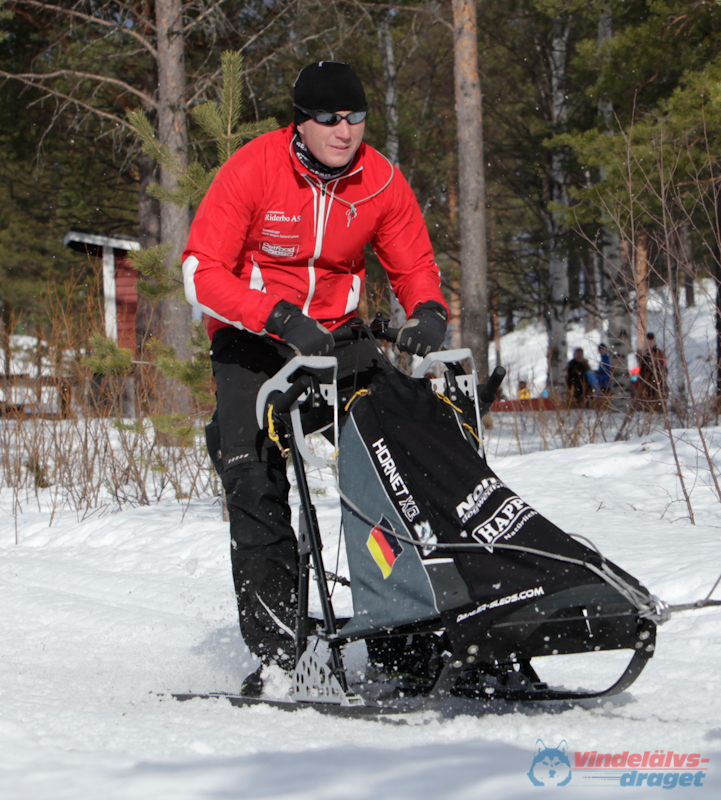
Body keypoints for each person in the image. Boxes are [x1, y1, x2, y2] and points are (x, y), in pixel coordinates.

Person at [182, 61, 449, 696]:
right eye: (328, 118)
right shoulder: (254, 168)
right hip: (253, 340)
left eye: (355, 117)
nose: (344, 130)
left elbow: (414, 264)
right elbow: (199, 273)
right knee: (250, 469)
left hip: (336, 338)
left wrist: (430, 312)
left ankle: (405, 640)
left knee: (398, 454)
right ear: (300, 121)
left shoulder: (379, 179)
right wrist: (273, 315)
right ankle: (280, 656)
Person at [636, 332, 667, 410]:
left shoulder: (659, 353)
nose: (650, 343)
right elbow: (641, 368)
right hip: (646, 382)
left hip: (656, 382)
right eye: (648, 341)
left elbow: (664, 368)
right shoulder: (643, 354)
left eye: (651, 340)